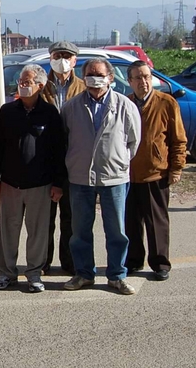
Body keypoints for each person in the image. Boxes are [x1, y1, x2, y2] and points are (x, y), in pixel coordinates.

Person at [61, 57, 141, 295]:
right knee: (80, 231)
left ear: (110, 78)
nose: (95, 79)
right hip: (80, 177)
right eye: (90, 74)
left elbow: (133, 141)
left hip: (114, 177)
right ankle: (84, 274)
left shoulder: (125, 105)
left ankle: (117, 275)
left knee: (116, 230)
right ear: (83, 77)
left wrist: (118, 161)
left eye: (99, 74)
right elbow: (64, 141)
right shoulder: (71, 107)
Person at [0, 65, 66, 292]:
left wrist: (58, 183)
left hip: (40, 184)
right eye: (21, 81)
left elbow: (59, 151)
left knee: (38, 232)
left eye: (27, 81)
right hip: (10, 182)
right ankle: (6, 273)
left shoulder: (50, 114)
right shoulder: (7, 111)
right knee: (7, 231)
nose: (22, 85)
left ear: (40, 86)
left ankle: (34, 274)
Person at [125, 60, 187, 281]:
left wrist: (176, 168)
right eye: (138, 78)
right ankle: (132, 260)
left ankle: (160, 262)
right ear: (130, 81)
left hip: (156, 172)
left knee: (156, 221)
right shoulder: (127, 103)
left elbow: (178, 139)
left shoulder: (166, 102)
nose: (144, 82)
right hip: (129, 174)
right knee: (131, 222)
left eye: (147, 77)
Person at [41, 41, 85, 275]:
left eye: (67, 56)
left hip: (74, 160)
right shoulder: (41, 86)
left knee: (71, 217)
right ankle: (43, 262)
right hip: (46, 161)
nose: (62, 60)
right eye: (58, 55)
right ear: (50, 58)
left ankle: (69, 262)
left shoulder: (82, 86)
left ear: (74, 60)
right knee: (45, 218)